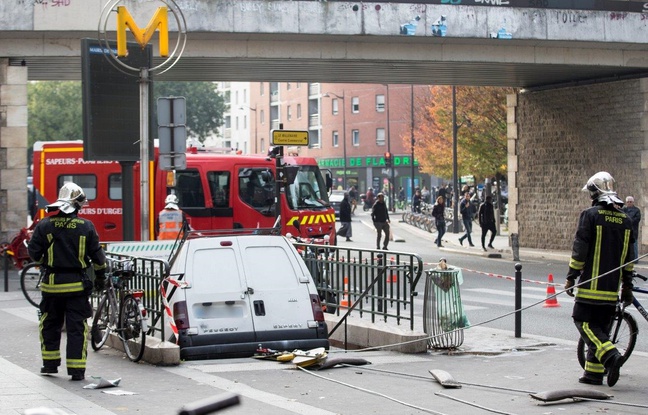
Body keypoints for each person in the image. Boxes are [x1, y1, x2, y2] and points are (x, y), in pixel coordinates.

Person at [27, 182, 107, 381]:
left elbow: (34, 254)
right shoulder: (86, 227)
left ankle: (50, 364)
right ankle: (76, 370)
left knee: (49, 325)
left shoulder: (44, 225)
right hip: (77, 287)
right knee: (77, 329)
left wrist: (47, 260)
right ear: (77, 205)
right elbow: (99, 259)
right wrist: (99, 279)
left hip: (51, 286)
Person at [565, 171, 634, 387]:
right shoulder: (625, 219)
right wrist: (627, 286)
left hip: (590, 287)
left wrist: (571, 277)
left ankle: (611, 357)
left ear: (595, 193)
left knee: (583, 322)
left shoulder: (591, 215)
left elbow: (580, 249)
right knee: (601, 329)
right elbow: (629, 259)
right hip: (612, 289)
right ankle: (593, 374)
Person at [623, 195, 641, 263]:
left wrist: (628, 220)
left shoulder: (637, 210)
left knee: (634, 246)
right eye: (628, 202)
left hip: (634, 230)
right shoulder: (623, 209)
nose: (629, 203)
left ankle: (635, 259)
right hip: (625, 230)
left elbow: (637, 219)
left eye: (630, 202)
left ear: (633, 202)